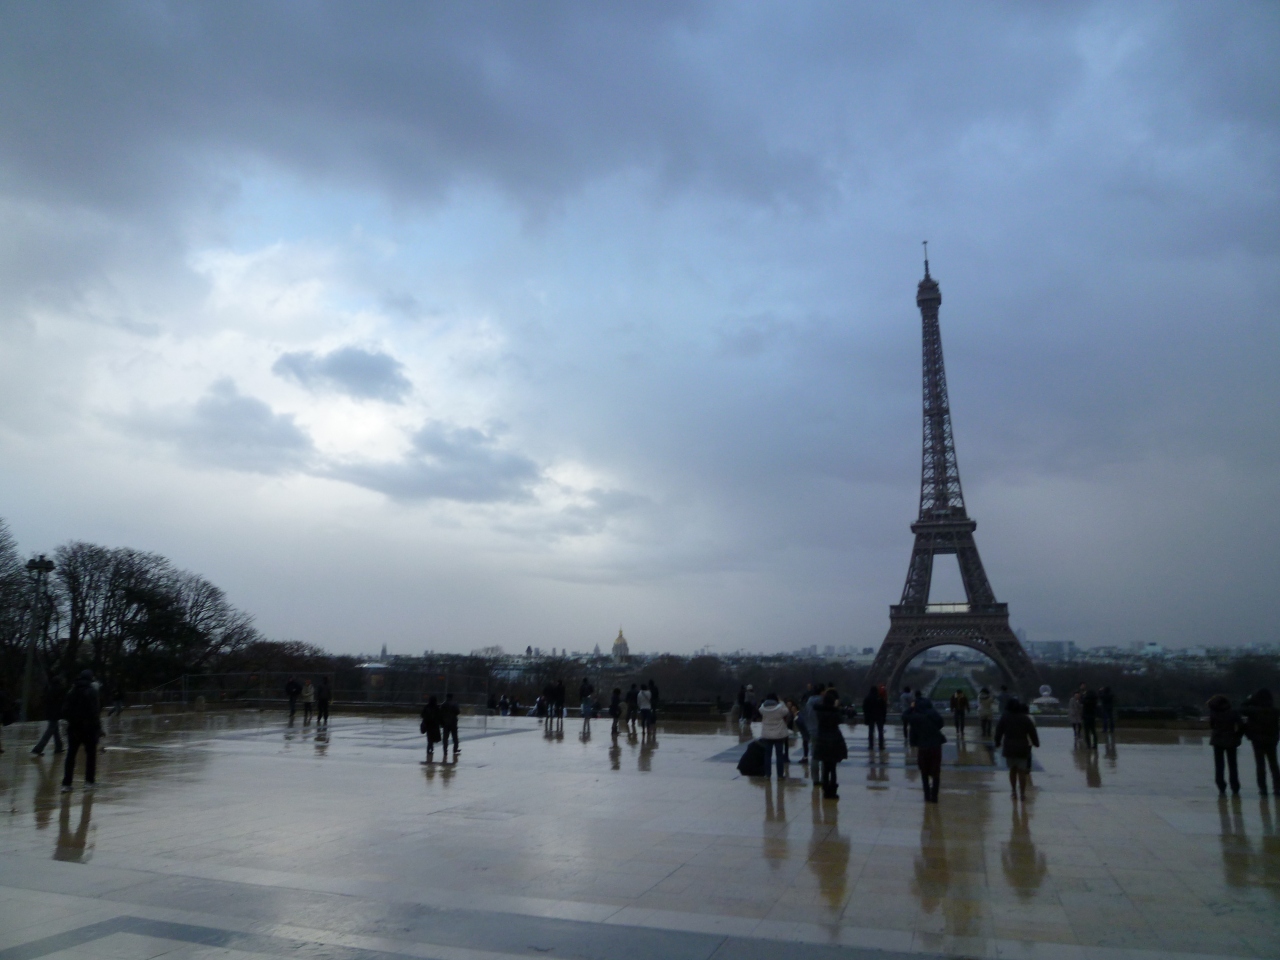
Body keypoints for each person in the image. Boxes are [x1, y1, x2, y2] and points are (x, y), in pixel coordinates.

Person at [60, 670, 102, 792]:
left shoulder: (71, 691)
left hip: (73, 728)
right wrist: (98, 728)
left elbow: (64, 710)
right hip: (89, 728)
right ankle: (89, 782)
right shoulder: (92, 691)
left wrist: (73, 721)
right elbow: (95, 712)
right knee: (91, 755)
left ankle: (66, 784)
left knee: (71, 755)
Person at [994, 698, 1040, 801]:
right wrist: (1036, 743)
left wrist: (997, 742)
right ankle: (1022, 793)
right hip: (1022, 748)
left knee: (1012, 770)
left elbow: (998, 732)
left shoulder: (1005, 718)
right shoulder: (1025, 719)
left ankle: (1014, 791)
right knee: (1022, 771)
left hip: (1009, 747)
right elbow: (1032, 732)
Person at [905, 695, 946, 803]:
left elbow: (905, 716)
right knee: (936, 772)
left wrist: (911, 707)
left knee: (924, 772)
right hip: (936, 745)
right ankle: (935, 796)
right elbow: (940, 724)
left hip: (923, 746)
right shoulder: (933, 713)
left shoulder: (915, 717)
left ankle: (927, 795)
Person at [1242, 689, 1280, 796]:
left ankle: (1263, 789)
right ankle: (1277, 788)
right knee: (1274, 765)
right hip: (1272, 740)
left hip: (1257, 740)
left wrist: (1250, 700)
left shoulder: (1253, 711)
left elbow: (1241, 708)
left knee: (1260, 765)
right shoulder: (1275, 711)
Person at [813, 688, 847, 799]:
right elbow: (841, 719)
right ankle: (832, 790)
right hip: (834, 741)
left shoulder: (819, 712)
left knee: (826, 768)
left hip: (822, 741)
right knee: (833, 768)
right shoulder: (835, 713)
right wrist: (835, 707)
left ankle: (825, 789)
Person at [1208, 694, 1243, 796]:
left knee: (1219, 766)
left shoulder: (1214, 712)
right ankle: (1235, 787)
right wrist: (1237, 736)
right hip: (1231, 739)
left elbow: (1212, 725)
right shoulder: (1233, 712)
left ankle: (1221, 787)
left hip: (1217, 740)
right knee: (1232, 765)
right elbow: (1241, 726)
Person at [758, 692, 791, 780]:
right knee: (779, 755)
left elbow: (760, 709)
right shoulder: (780, 708)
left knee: (767, 755)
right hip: (779, 734)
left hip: (767, 735)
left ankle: (767, 775)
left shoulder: (763, 708)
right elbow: (787, 711)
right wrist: (781, 701)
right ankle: (780, 775)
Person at [31, 676, 66, 757]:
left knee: (55, 730)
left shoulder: (49, 689)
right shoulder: (59, 689)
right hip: (56, 713)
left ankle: (58, 747)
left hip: (49, 713)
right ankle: (38, 748)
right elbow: (62, 701)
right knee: (50, 731)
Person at [805, 683, 826, 782]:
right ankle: (824, 778)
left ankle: (815, 779)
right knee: (824, 756)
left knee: (814, 755)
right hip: (822, 730)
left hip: (811, 730)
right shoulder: (822, 701)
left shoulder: (808, 702)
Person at [420, 695, 443, 763]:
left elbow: (422, 715)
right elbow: (440, 716)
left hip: (428, 725)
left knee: (429, 738)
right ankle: (431, 749)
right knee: (433, 738)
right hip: (435, 725)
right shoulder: (437, 707)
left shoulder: (427, 707)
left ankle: (429, 749)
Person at [863, 686, 886, 751]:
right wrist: (884, 717)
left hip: (871, 716)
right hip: (879, 716)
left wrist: (866, 717)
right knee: (880, 731)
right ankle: (881, 745)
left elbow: (865, 709)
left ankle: (871, 745)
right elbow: (884, 709)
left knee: (871, 731)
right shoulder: (880, 698)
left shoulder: (867, 698)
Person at [441, 693, 461, 759]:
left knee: (445, 738)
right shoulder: (455, 704)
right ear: (452, 697)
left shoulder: (443, 704)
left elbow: (440, 713)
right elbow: (458, 712)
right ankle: (455, 749)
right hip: (453, 723)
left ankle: (445, 751)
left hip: (445, 723)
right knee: (455, 737)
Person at [1080, 686, 1099, 750]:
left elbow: (1081, 701)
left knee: (1086, 732)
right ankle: (1095, 745)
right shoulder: (1094, 701)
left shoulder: (1086, 700)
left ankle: (1088, 745)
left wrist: (1083, 695)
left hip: (1086, 717)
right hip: (1092, 717)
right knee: (1093, 731)